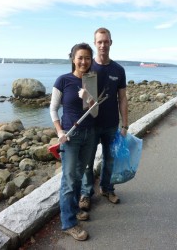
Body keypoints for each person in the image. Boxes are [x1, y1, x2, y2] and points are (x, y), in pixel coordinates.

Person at [50, 43, 98, 241]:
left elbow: (95, 112)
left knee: (79, 175)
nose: (84, 61)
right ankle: (68, 223)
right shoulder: (63, 80)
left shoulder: (91, 80)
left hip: (89, 135)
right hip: (70, 136)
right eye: (80, 57)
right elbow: (53, 109)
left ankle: (75, 210)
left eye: (87, 58)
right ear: (73, 58)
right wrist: (60, 131)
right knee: (69, 180)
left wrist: (88, 98)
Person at [79, 27, 128, 211]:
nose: (103, 45)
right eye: (99, 42)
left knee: (109, 160)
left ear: (111, 43)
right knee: (87, 162)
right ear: (94, 44)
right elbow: (77, 95)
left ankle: (107, 188)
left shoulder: (118, 70)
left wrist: (125, 125)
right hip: (90, 125)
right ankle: (86, 193)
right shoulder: (87, 66)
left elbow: (122, 98)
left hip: (110, 125)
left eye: (106, 41)